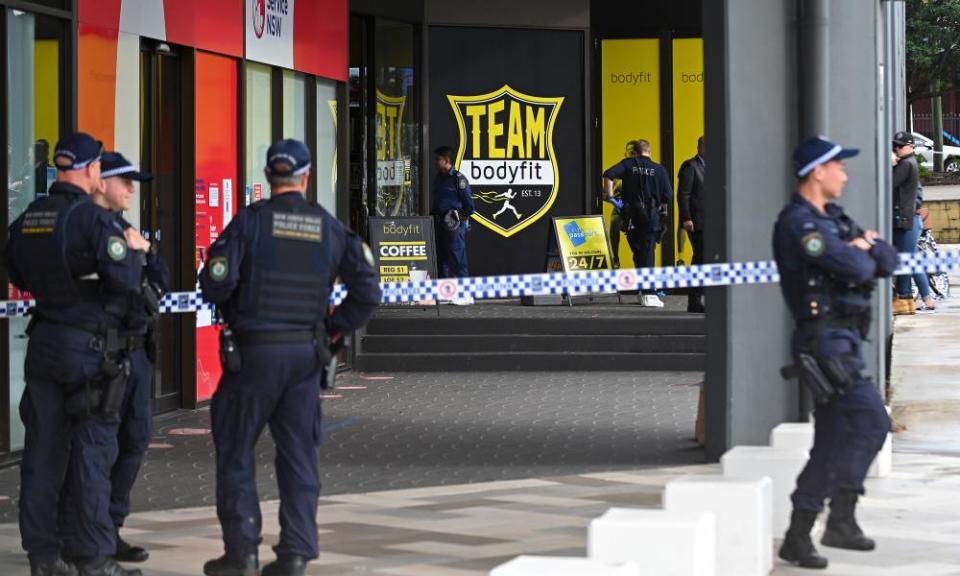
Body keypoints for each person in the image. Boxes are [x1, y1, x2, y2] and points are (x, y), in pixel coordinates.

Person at [200, 139, 381, 576]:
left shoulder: (248, 222)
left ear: (267, 177)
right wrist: (333, 333)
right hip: (304, 357)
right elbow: (368, 292)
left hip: (252, 356)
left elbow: (214, 284)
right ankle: (296, 554)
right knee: (299, 454)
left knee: (236, 451)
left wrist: (237, 307)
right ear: (306, 176)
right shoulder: (329, 227)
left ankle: (241, 553)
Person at [5, 132, 146, 576]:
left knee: (42, 454)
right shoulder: (92, 220)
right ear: (89, 170)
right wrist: (138, 254)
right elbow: (126, 279)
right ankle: (93, 558)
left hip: (44, 342)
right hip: (90, 350)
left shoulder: (29, 218)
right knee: (92, 452)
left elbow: (17, 270)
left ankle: (44, 557)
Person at [773, 136, 898, 570]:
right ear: (817, 172)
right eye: (838, 167)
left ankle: (806, 532)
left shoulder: (834, 218)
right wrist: (862, 251)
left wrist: (866, 248)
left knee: (831, 439)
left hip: (844, 342)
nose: (844, 174)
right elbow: (858, 266)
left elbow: (887, 258)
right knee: (871, 421)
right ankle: (836, 517)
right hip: (823, 345)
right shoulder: (800, 224)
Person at [57, 152, 168, 565]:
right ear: (100, 181)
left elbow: (160, 281)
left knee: (134, 441)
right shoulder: (84, 226)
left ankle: (111, 526)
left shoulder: (126, 229)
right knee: (93, 449)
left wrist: (144, 253)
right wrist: (136, 258)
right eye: (125, 181)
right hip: (101, 352)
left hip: (136, 351)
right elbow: (116, 286)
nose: (131, 190)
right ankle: (85, 535)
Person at [602, 139, 674, 307]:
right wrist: (663, 217)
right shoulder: (659, 169)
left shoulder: (628, 164)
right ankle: (648, 293)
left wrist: (611, 197)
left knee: (638, 252)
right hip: (651, 217)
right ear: (649, 152)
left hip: (631, 217)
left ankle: (643, 291)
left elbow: (608, 174)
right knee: (648, 252)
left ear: (635, 152)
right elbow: (668, 196)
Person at [430, 145, 475, 305]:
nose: (435, 162)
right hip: (440, 221)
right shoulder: (439, 178)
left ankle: (466, 294)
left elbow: (469, 204)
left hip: (455, 222)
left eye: (438, 159)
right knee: (443, 258)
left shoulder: (458, 179)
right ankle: (447, 293)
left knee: (458, 257)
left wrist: (461, 217)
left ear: (447, 160)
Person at [891, 131, 929, 314]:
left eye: (899, 146)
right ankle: (908, 301)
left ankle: (903, 299)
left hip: (904, 220)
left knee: (904, 262)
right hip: (908, 219)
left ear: (910, 146)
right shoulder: (909, 162)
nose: (896, 149)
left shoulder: (906, 164)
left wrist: (890, 166)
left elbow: (888, 183)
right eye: (895, 146)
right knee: (907, 261)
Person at [677, 136, 707, 313]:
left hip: (711, 221)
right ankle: (694, 300)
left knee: (707, 258)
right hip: (697, 221)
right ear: (700, 148)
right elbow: (684, 195)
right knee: (700, 257)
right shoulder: (690, 166)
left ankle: (701, 297)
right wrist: (686, 218)